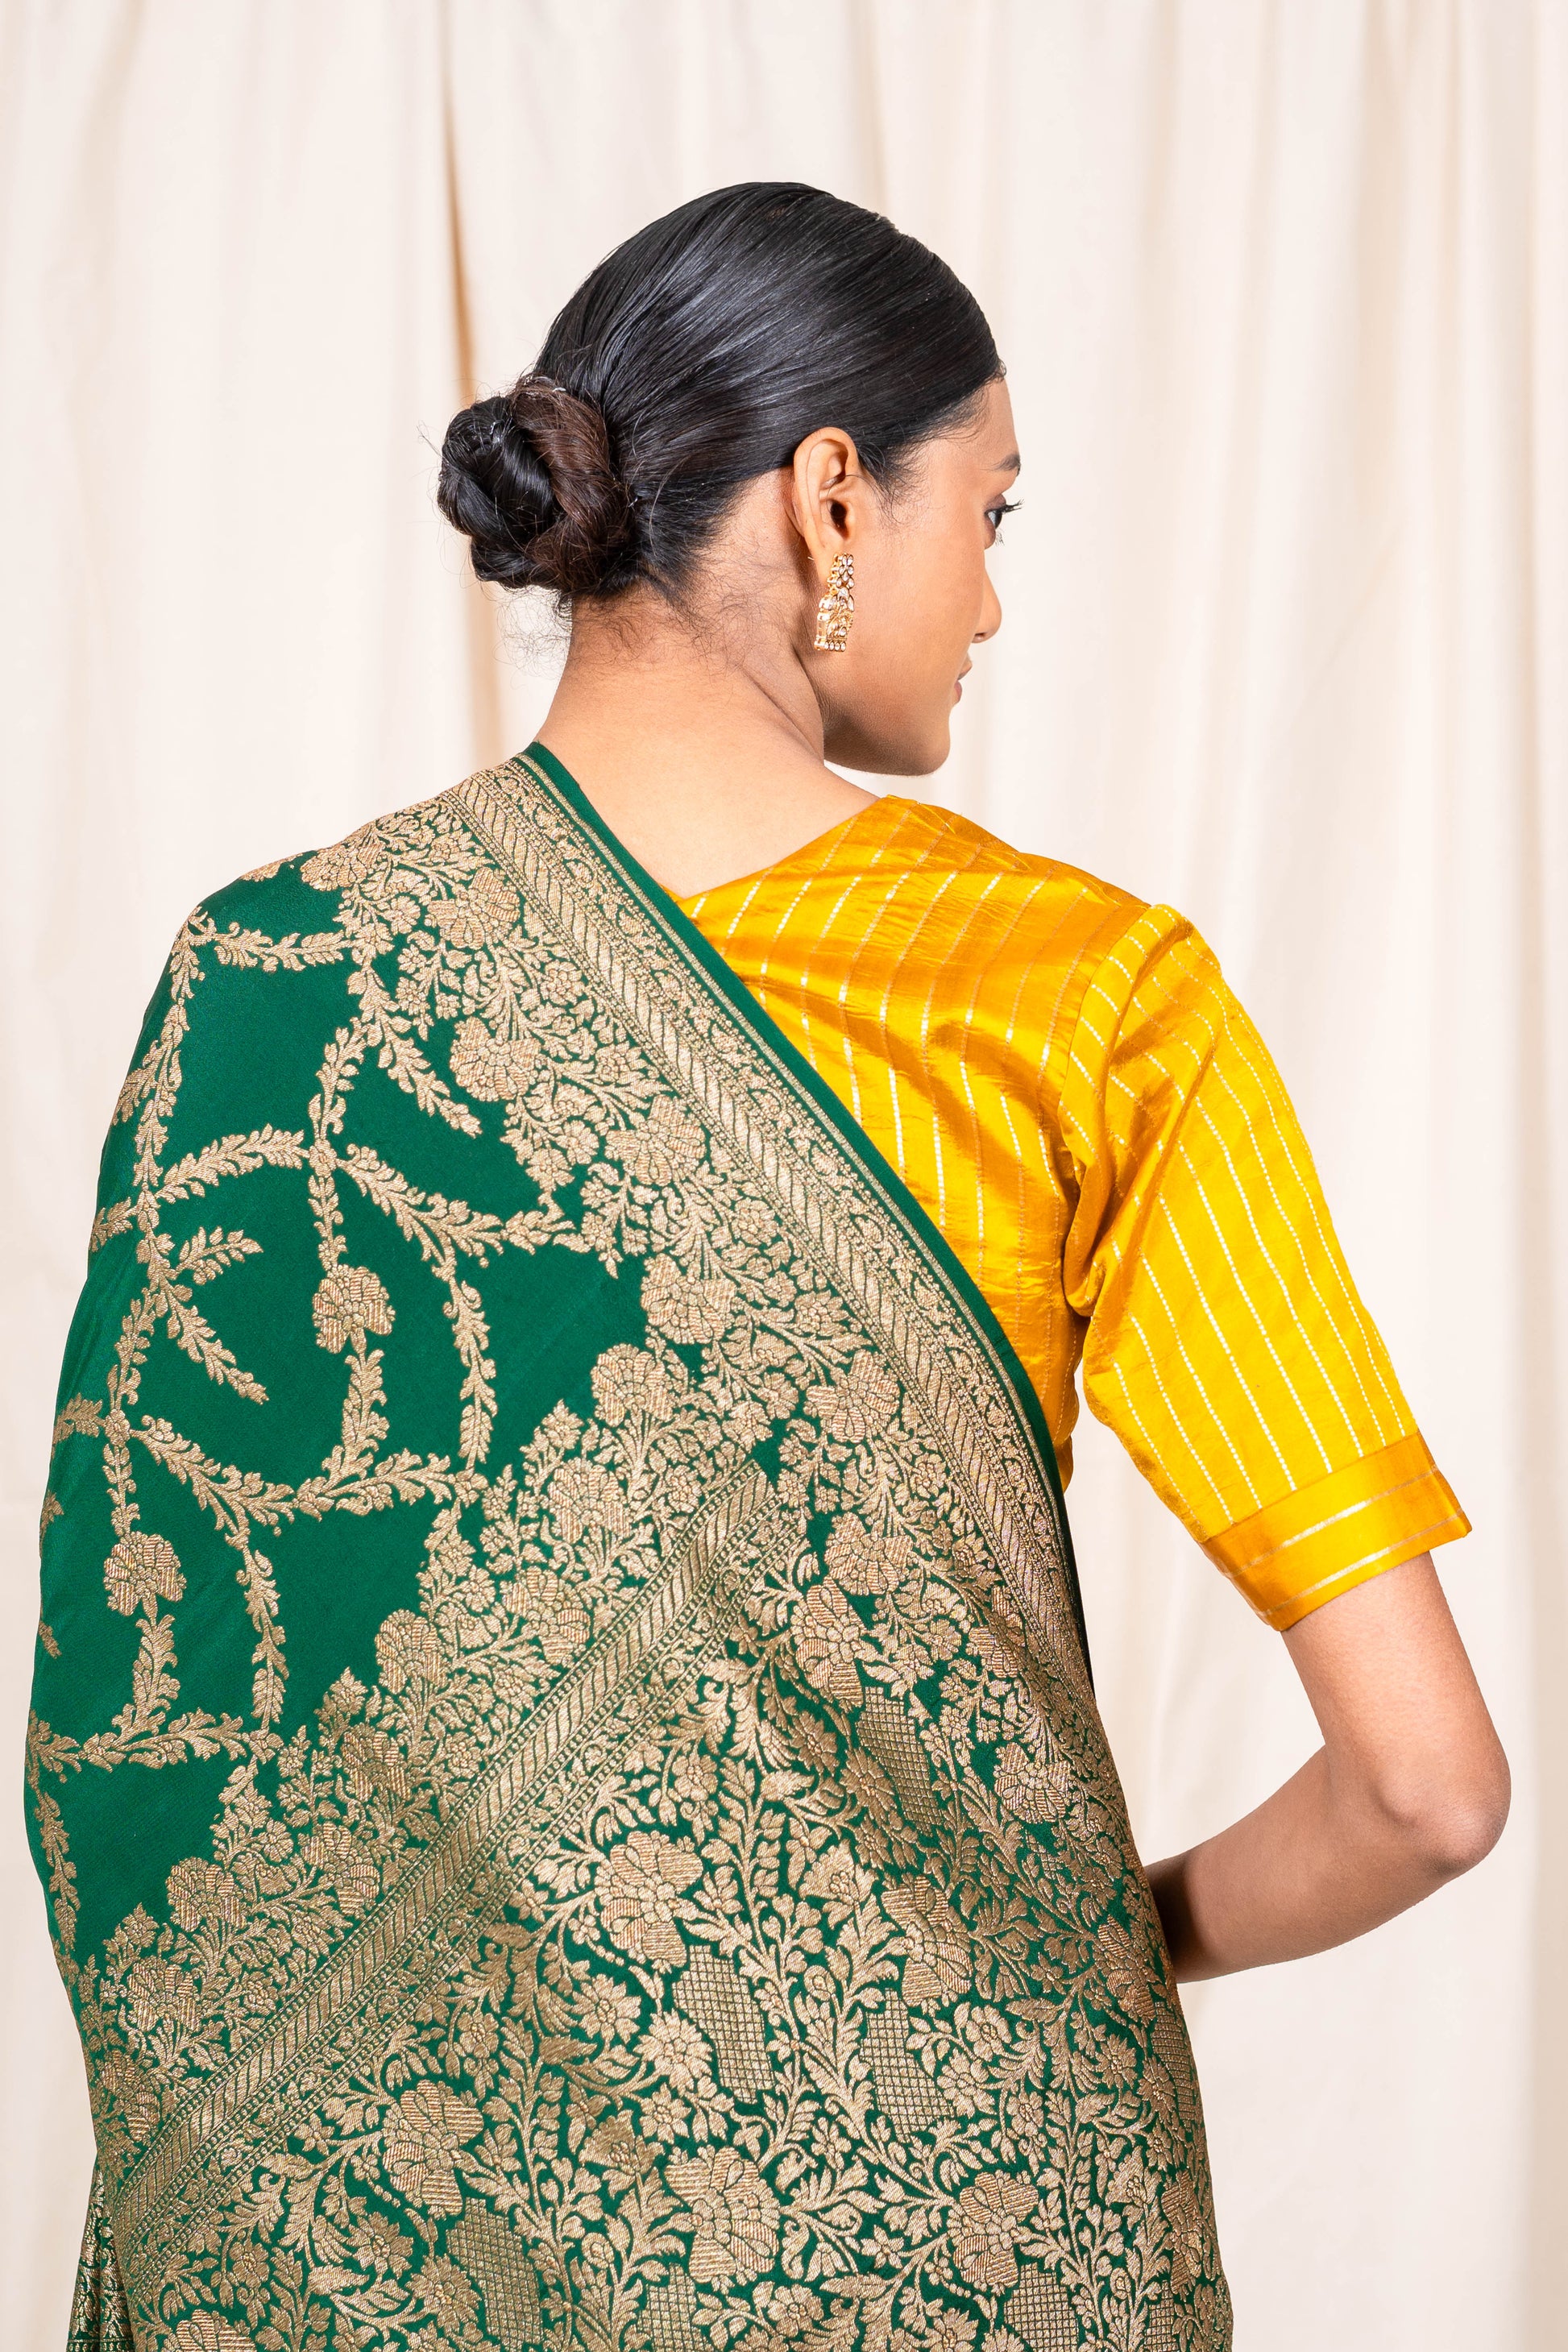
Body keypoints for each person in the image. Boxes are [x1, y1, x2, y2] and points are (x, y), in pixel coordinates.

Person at [30, 183, 1506, 2352]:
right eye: (990, 511)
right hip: (970, 2253)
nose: (992, 598)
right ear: (832, 502)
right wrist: (1078, 1941)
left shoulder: (272, 981)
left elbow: (152, 1750)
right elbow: (1424, 1791)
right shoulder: (1080, 997)